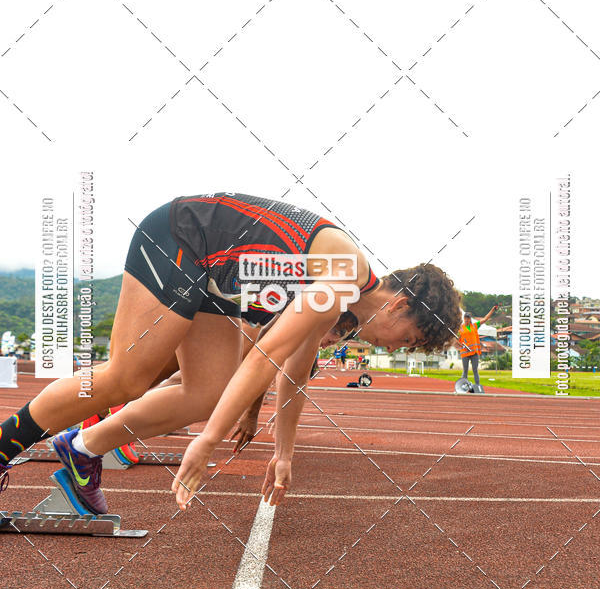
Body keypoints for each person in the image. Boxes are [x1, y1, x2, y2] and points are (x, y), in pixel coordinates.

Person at [0, 192, 462, 510]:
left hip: (215, 285)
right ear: (400, 305)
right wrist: (206, 441)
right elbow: (267, 355)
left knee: (206, 394)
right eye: (407, 339)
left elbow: (293, 371)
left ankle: (80, 450)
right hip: (180, 238)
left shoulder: (339, 301)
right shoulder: (342, 274)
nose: (395, 346)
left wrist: (284, 454)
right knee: (127, 377)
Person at [457, 306, 498, 387]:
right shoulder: (460, 328)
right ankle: (462, 387)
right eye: (465, 318)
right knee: (465, 371)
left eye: (468, 318)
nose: (466, 320)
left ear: (470, 319)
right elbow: (457, 339)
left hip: (474, 352)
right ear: (463, 318)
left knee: (475, 370)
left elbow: (485, 319)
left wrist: (492, 310)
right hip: (465, 352)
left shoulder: (475, 326)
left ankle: (478, 386)